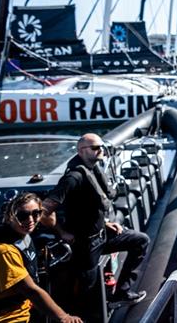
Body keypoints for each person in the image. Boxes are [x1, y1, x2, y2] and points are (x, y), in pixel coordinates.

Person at [42, 134, 149, 317]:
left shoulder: (92, 170)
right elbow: (44, 209)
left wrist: (106, 223)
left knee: (140, 241)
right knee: (88, 295)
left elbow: (92, 206)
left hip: (102, 236)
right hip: (86, 246)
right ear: (81, 151)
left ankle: (121, 293)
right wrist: (61, 232)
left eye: (101, 147)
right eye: (95, 148)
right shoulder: (74, 177)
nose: (100, 151)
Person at [0, 193, 82, 323]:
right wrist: (64, 317)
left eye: (36, 213)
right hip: (4, 318)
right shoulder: (4, 252)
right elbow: (31, 291)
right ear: (9, 217)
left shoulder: (21, 234)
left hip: (22, 309)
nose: (30, 220)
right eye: (22, 216)